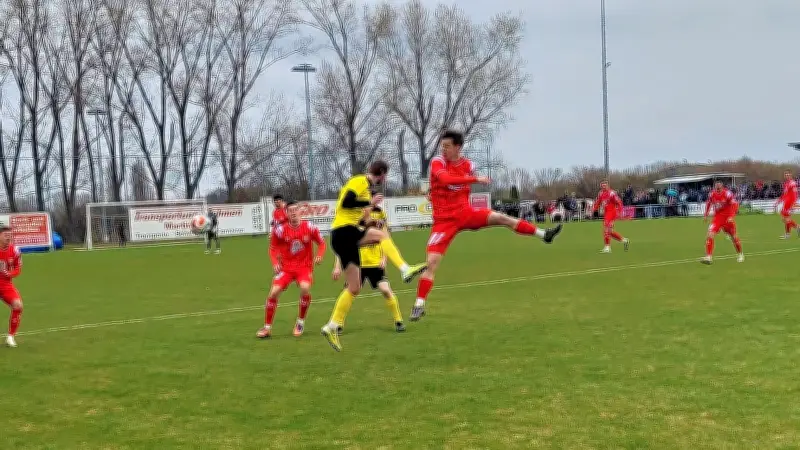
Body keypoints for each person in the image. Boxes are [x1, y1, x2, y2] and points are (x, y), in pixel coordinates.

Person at [410, 130, 563, 321]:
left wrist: (454, 184)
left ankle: (544, 235)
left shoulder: (468, 165)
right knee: (431, 263)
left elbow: (454, 184)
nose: (443, 150)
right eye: (442, 146)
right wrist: (473, 179)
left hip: (466, 213)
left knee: (503, 218)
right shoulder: (437, 162)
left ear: (458, 147)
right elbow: (446, 180)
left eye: (447, 146)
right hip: (444, 221)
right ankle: (419, 304)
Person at [320, 160, 427, 351]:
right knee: (381, 236)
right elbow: (347, 202)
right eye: (385, 176)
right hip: (343, 232)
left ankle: (332, 326)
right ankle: (404, 269)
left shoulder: (364, 187)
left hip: (343, 236)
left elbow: (355, 214)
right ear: (382, 174)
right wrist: (370, 202)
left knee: (353, 287)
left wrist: (370, 223)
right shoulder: (361, 181)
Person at [332, 204, 405, 334]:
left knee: (386, 290)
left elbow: (386, 241)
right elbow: (343, 248)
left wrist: (384, 258)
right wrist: (337, 267)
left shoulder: (378, 219)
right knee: (349, 292)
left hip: (375, 265)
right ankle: (338, 324)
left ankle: (398, 321)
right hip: (358, 265)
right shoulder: (352, 224)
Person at [257, 201, 326, 338]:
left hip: (304, 268)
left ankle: (300, 322)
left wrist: (319, 255)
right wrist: (275, 262)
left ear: (301, 211)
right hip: (286, 268)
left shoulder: (310, 227)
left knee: (305, 288)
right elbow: (272, 248)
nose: (293, 212)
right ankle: (267, 328)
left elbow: (322, 244)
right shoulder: (280, 230)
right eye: (290, 211)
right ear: (287, 213)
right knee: (273, 292)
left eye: (296, 210)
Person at [702, 181, 744, 264]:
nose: (717, 190)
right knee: (710, 234)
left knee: (734, 237)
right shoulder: (711, 194)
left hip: (727, 218)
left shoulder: (727, 194)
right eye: (716, 188)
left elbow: (735, 204)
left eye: (719, 189)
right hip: (717, 218)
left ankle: (740, 254)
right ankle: (709, 257)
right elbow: (708, 203)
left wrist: (731, 216)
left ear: (722, 187)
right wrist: (706, 214)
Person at [0, 226, 22, 347]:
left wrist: (9, 273)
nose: (8, 237)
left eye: (10, 235)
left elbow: (18, 269)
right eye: (5, 235)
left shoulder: (15, 250)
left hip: (5, 284)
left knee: (18, 305)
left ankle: (10, 336)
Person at [593, 180, 629, 253]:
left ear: (608, 185)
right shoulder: (601, 193)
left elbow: (619, 202)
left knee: (606, 229)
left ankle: (607, 247)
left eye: (605, 185)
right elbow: (598, 202)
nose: (603, 186)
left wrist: (619, 211)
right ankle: (624, 240)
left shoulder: (612, 193)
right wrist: (595, 210)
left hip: (612, 213)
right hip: (606, 214)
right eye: (602, 185)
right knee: (609, 231)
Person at [776, 170, 798, 239]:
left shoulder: (792, 183)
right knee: (785, 219)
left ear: (791, 175)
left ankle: (796, 228)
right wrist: (779, 200)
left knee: (786, 219)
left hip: (790, 203)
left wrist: (793, 204)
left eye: (788, 174)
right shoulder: (786, 183)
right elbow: (784, 194)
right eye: (786, 175)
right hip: (786, 203)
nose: (787, 176)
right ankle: (788, 234)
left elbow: (795, 195)